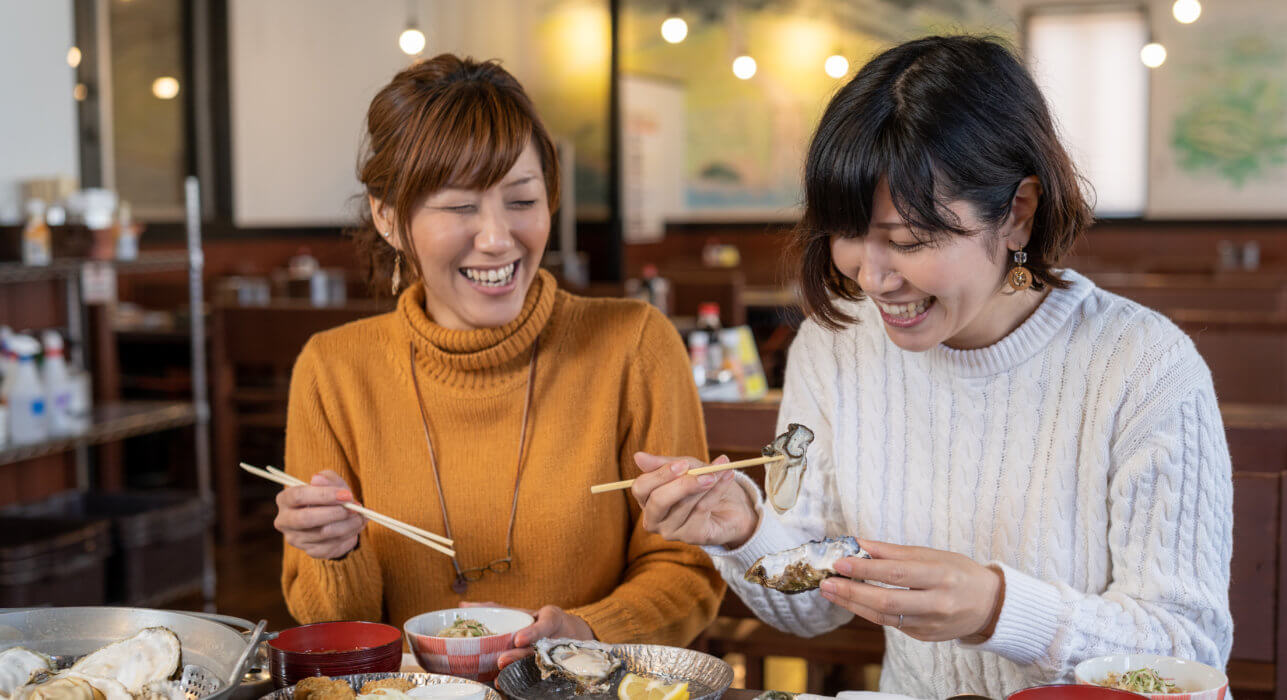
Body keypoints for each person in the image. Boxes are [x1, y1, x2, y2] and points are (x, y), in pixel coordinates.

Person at [629, 35, 1233, 698]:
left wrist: (997, 609)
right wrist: (745, 531)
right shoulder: (835, 347)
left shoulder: (1143, 368)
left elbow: (1188, 645)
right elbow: (813, 602)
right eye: (850, 233)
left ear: (1017, 214)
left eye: (911, 241)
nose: (874, 276)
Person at [273, 55, 723, 668]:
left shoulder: (635, 345)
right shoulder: (333, 369)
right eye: (459, 207)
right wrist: (331, 551)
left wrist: (586, 634)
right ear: (387, 217)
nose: (496, 237)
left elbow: (685, 570)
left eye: (522, 200)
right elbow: (339, 631)